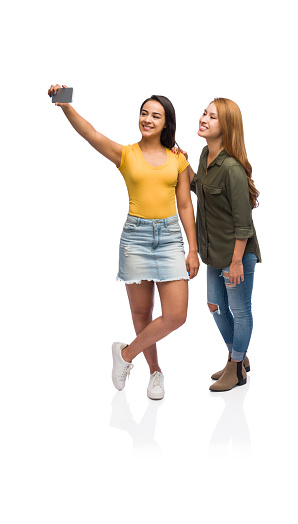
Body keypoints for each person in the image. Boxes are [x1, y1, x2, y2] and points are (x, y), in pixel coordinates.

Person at [48, 85, 199, 400]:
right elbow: (91, 134)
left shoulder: (178, 160)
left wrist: (193, 249)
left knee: (176, 315)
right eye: (144, 113)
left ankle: (125, 354)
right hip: (136, 237)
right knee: (142, 314)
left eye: (155, 115)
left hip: (170, 238)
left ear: (166, 123)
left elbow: (186, 205)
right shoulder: (126, 154)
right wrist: (65, 106)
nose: (147, 119)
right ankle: (155, 372)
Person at [176, 97, 261, 391]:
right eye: (204, 113)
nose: (204, 119)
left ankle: (236, 368)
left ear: (226, 127)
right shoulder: (204, 155)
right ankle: (237, 356)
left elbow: (243, 224)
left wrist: (236, 261)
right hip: (215, 254)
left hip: (236, 254)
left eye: (212, 117)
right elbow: (198, 187)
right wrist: (181, 159)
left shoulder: (233, 170)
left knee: (240, 310)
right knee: (214, 305)